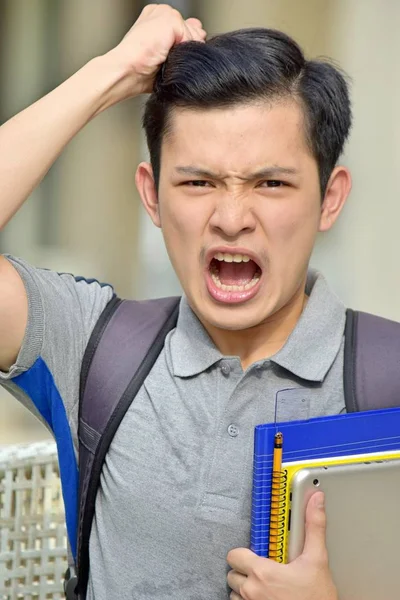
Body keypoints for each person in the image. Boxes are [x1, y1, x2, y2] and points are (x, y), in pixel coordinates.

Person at [0, 4, 353, 599]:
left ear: (328, 199)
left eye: (271, 183)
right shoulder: (92, 344)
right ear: (152, 196)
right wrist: (112, 71)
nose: (232, 219)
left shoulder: (387, 377)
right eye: (198, 182)